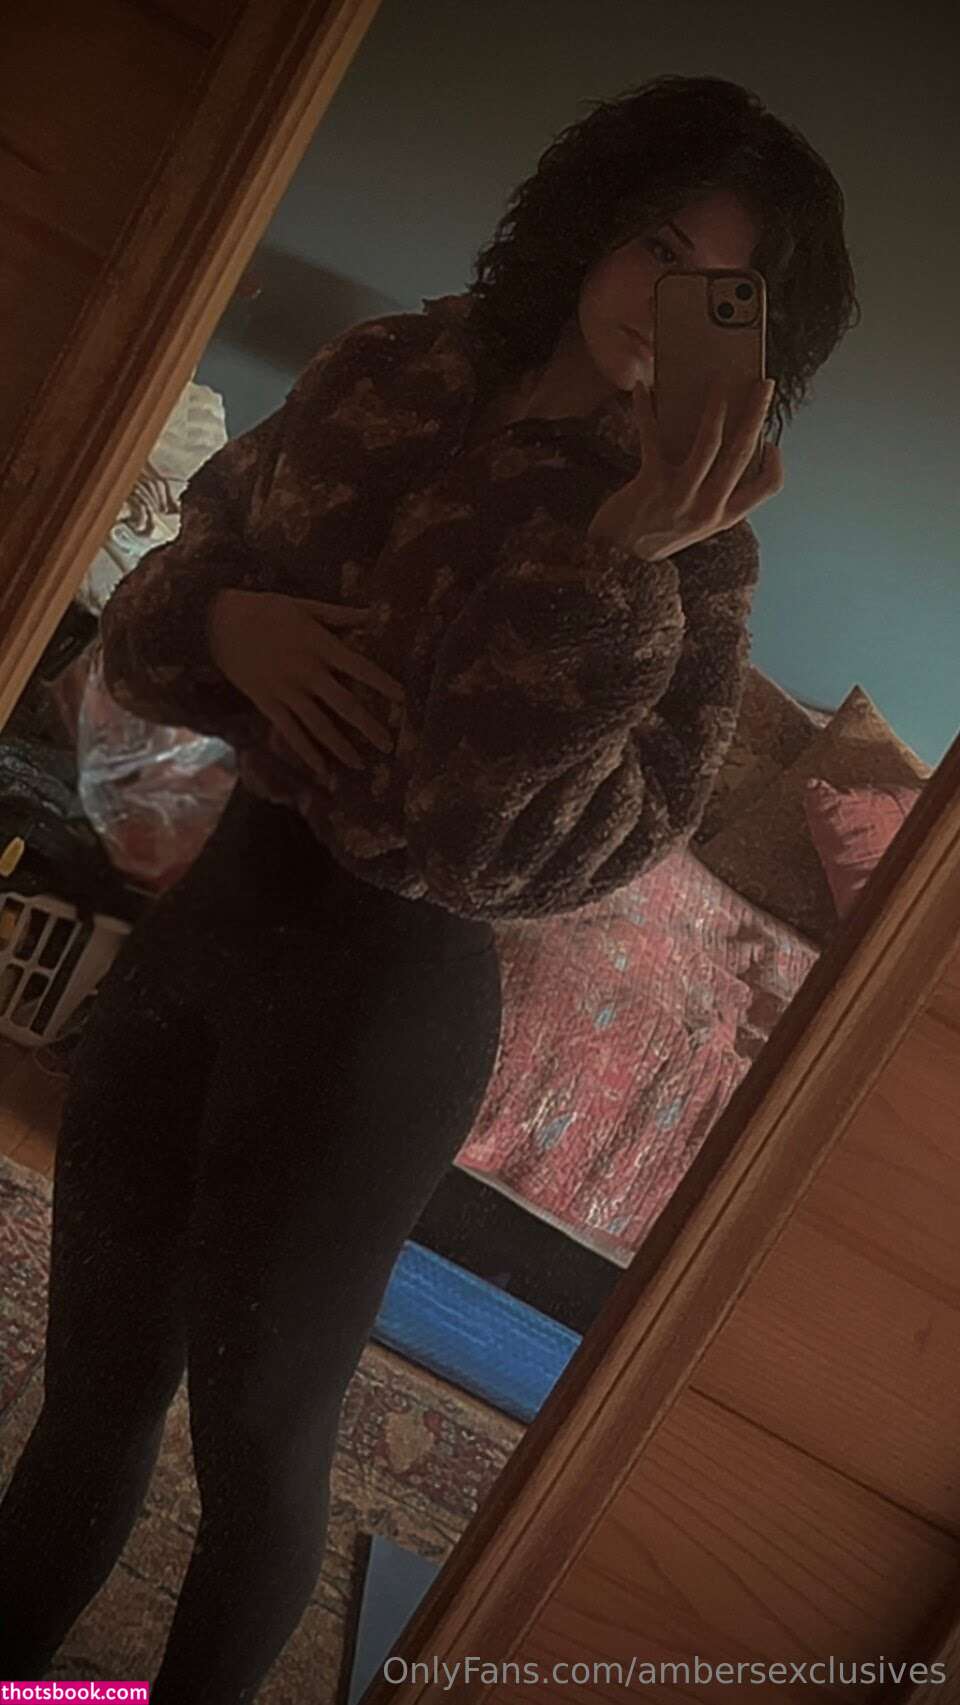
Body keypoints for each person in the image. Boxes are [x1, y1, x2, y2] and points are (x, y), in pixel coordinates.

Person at [0, 75, 858, 1700]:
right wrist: (229, 620)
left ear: (764, 341)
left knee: (258, 1448)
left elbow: (490, 850)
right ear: (594, 225)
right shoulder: (386, 369)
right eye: (657, 246)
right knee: (91, 1388)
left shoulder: (702, 567)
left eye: (723, 292)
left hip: (379, 1017)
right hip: (208, 934)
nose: (664, 303)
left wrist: (616, 565)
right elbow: (174, 587)